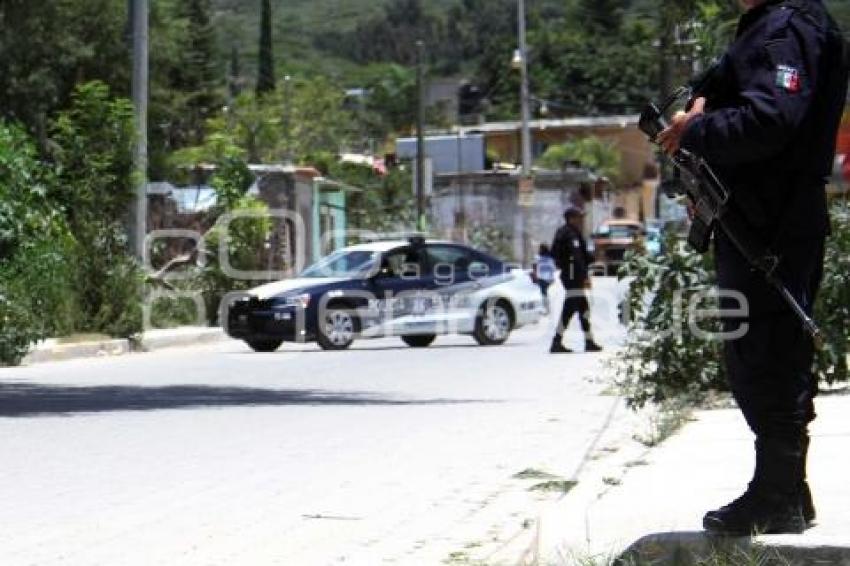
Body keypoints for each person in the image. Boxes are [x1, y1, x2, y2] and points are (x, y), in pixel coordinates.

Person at [657, 0, 848, 536]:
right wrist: (700, 112)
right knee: (766, 357)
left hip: (772, 223)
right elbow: (740, 93)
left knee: (767, 360)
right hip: (763, 218)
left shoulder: (788, 28)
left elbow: (770, 120)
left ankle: (777, 495)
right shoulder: (775, 25)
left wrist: (696, 131)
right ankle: (788, 490)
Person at [549, 206, 602, 354]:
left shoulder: (565, 232)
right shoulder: (570, 234)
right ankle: (557, 342)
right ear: (572, 218)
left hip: (570, 275)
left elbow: (556, 253)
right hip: (573, 276)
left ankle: (588, 341)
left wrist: (592, 258)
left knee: (582, 308)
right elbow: (577, 258)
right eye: (579, 217)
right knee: (569, 310)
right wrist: (584, 276)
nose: (581, 220)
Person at [532, 243, 556, 313]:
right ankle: (547, 308)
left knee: (543, 294)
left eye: (540, 248)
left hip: (542, 278)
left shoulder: (538, 257)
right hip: (548, 278)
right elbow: (553, 268)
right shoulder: (550, 258)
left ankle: (546, 308)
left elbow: (535, 266)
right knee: (545, 293)